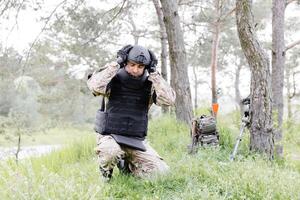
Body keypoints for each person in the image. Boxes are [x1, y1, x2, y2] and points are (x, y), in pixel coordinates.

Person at [87, 44, 176, 181]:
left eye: (140, 67)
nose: (135, 70)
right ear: (125, 63)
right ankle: (105, 173)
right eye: (132, 64)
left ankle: (128, 167)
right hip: (110, 137)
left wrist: (154, 73)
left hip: (135, 141)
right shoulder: (112, 79)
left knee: (161, 173)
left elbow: (169, 100)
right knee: (110, 152)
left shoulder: (151, 85)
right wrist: (116, 64)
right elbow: (94, 86)